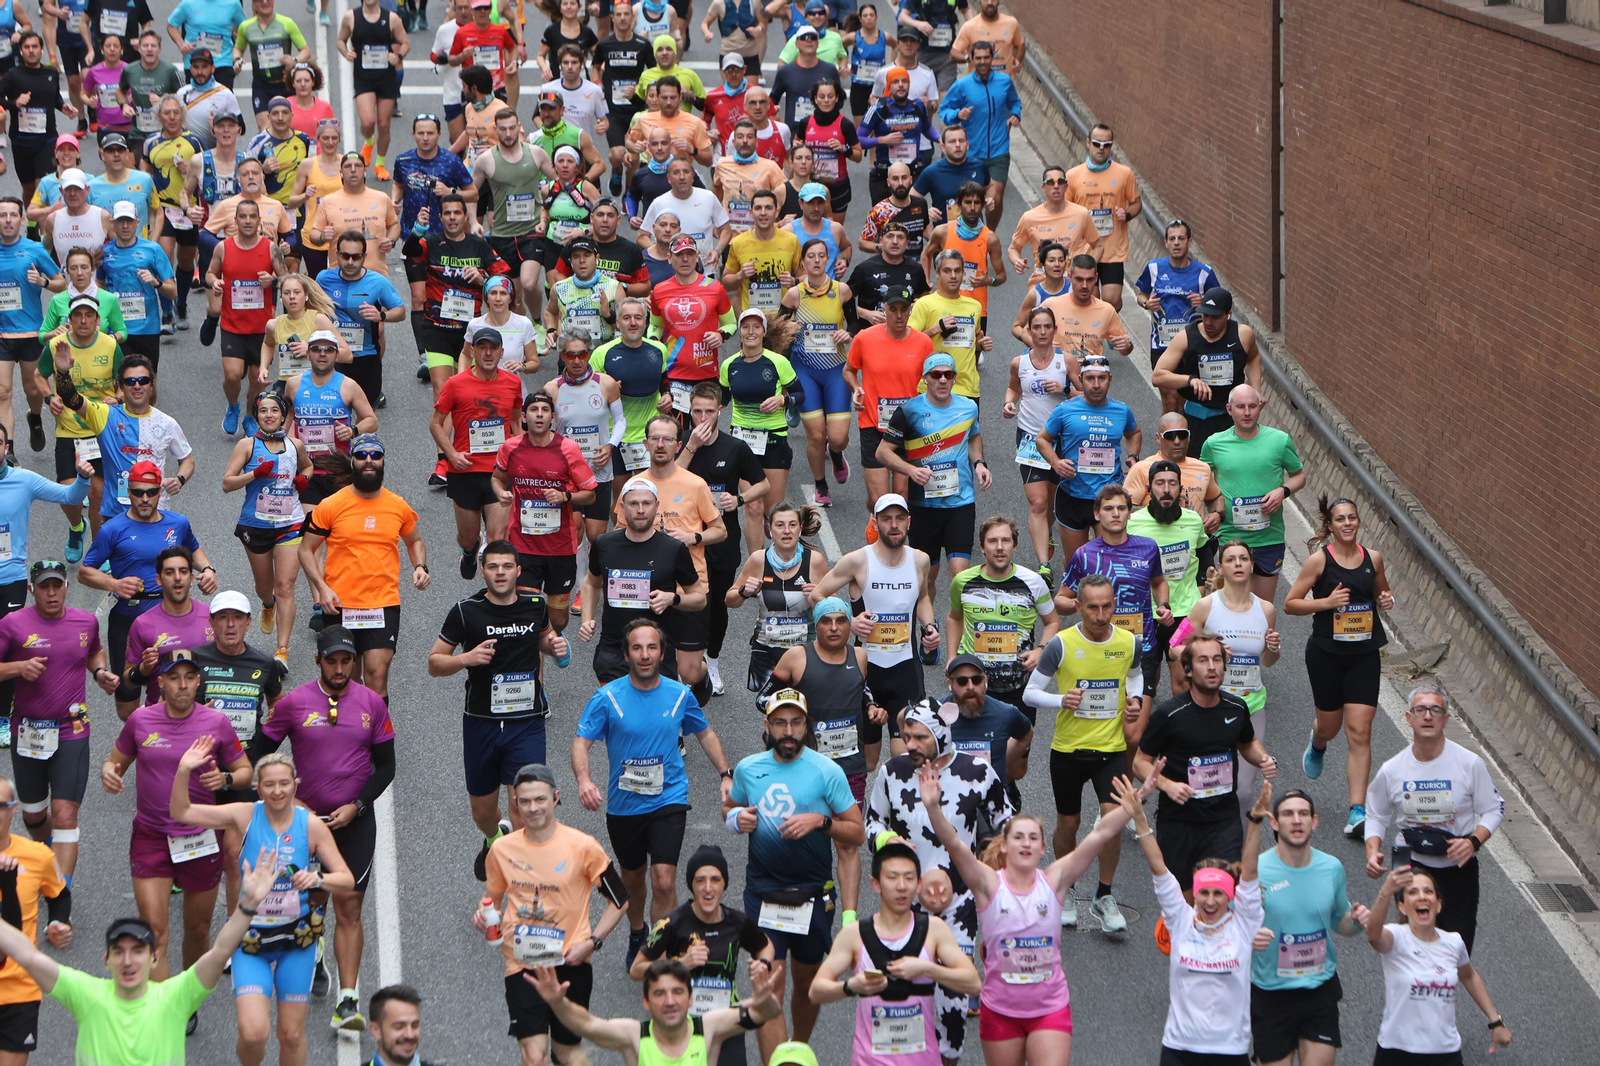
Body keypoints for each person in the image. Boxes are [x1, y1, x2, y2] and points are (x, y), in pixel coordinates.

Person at [922, 765, 1148, 1066]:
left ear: (1043, 847)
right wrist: (933, 807)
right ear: (1004, 845)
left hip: (1049, 1009)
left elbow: (1102, 832)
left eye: (1033, 838)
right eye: (1018, 837)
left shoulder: (1055, 880)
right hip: (1000, 1011)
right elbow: (953, 843)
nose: (1025, 843)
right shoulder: (988, 885)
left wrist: (1139, 799)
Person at [0, 843, 281, 1062]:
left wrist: (248, 905)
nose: (128, 960)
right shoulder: (86, 994)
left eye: (137, 951)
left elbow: (219, 952)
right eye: (118, 952)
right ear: (106, 961)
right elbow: (28, 955)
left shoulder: (175, 996)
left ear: (154, 958)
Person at [249, 625, 397, 1032]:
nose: (339, 668)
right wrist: (283, 801)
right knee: (312, 905)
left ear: (354, 662)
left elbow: (387, 766)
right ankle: (313, 954)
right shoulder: (294, 703)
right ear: (317, 661)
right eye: (331, 660)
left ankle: (347, 1002)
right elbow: (258, 754)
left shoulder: (372, 703)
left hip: (354, 823)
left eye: (346, 660)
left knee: (349, 908)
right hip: (306, 827)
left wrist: (357, 806)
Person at [168, 745, 355, 1066]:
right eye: (269, 784)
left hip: (296, 941)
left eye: (284, 783)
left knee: (291, 1034)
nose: (277, 791)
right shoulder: (245, 815)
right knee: (254, 1034)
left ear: (296, 784)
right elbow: (181, 812)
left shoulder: (310, 825)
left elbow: (346, 879)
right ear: (257, 786)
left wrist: (317, 879)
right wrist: (184, 769)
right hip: (251, 939)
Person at [574, 617, 734, 965]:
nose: (645, 655)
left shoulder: (679, 695)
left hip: (669, 798)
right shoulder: (607, 698)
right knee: (633, 878)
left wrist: (726, 773)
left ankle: (660, 943)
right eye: (637, 648)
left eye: (652, 647)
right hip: (624, 804)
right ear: (627, 654)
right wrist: (585, 780)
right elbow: (581, 743)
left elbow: (704, 733)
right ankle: (637, 931)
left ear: (663, 654)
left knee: (663, 879)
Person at [865, 700, 1010, 1065]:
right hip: (903, 903)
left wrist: (995, 873)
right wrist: (886, 841)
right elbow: (872, 823)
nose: (910, 744)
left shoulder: (976, 771)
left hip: (960, 902)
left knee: (953, 998)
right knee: (899, 990)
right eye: (907, 735)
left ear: (942, 735)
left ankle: (947, 1059)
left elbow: (1007, 825)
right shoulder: (892, 772)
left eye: (920, 737)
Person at [102, 648, 252, 993]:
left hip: (200, 837)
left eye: (189, 677)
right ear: (162, 683)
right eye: (174, 677)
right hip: (151, 836)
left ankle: (185, 995)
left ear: (198, 681)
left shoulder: (216, 723)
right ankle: (164, 1007)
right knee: (154, 929)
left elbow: (244, 771)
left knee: (198, 930)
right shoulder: (141, 721)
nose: (182, 685)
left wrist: (226, 781)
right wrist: (108, 773)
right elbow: (114, 763)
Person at [726, 687, 864, 1056]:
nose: (788, 731)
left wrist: (821, 822)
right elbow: (732, 805)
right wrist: (735, 820)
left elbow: (857, 832)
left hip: (813, 894)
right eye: (781, 723)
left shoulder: (826, 772)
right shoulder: (749, 769)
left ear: (807, 726)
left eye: (796, 722)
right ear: (768, 726)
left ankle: (797, 1051)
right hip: (764, 893)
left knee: (806, 986)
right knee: (769, 984)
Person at [473, 762, 631, 1066]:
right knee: (534, 1057)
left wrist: (593, 941)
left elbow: (620, 899)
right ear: (516, 803)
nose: (533, 808)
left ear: (556, 797)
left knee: (567, 1053)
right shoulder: (502, 849)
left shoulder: (583, 846)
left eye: (540, 799)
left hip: (571, 963)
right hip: (522, 965)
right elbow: (490, 899)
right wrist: (482, 915)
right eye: (525, 801)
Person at [430, 540, 564, 877]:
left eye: (507, 566)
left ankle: (520, 875)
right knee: (482, 811)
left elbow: (545, 639)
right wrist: (466, 658)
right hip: (482, 722)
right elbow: (434, 662)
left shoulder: (535, 604)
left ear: (518, 570)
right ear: (483, 570)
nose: (500, 573)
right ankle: (493, 837)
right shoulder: (465, 610)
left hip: (526, 721)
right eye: (493, 567)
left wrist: (555, 646)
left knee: (525, 803)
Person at [1020, 574, 1142, 929]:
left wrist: (1133, 699)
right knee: (1068, 823)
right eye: (1092, 607)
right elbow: (1031, 693)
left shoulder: (1128, 642)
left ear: (1114, 605)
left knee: (1112, 821)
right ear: (1078, 607)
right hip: (1069, 749)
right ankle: (1067, 886)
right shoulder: (1061, 644)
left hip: (1111, 748)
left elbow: (1134, 675)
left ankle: (1104, 895)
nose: (1100, 615)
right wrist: (1063, 700)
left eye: (1107, 607)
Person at [1123, 774, 1271, 1065]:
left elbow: (1250, 873)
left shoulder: (1244, 924)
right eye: (1204, 893)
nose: (1211, 901)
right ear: (1195, 894)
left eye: (1219, 893)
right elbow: (1159, 868)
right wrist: (1139, 817)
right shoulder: (1180, 918)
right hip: (1179, 1049)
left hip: (1229, 1051)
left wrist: (1255, 821)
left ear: (1230, 897)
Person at [808, 839, 981, 1066]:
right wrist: (851, 986)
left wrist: (927, 968)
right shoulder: (855, 934)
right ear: (876, 884)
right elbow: (815, 991)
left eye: (909, 878)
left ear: (919, 885)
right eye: (892, 877)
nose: (901, 886)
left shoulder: (934, 930)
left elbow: (973, 983)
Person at [1132, 632, 1277, 901]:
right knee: (1186, 903)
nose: (1211, 667)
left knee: (1219, 895)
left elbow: (1247, 744)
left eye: (1217, 660)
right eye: (1203, 660)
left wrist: (1264, 759)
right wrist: (1167, 785)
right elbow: (1140, 761)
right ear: (1188, 669)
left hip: (1223, 821)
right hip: (1179, 822)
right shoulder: (1170, 715)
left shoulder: (1236, 708)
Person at [1364, 683, 1503, 955]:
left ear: (1445, 719)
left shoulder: (1469, 763)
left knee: (1456, 954)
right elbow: (1376, 813)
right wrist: (1372, 851)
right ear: (1409, 718)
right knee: (1416, 951)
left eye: (1435, 710)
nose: (1428, 716)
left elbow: (1494, 809)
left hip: (1458, 871)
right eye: (1421, 709)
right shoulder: (1392, 770)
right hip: (1412, 869)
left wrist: (1473, 841)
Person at [1288, 495, 1395, 839]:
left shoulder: (1373, 559)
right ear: (1330, 526)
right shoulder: (1319, 562)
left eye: (1352, 518)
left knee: (1360, 732)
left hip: (1364, 655)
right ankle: (1318, 740)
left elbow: (1382, 592)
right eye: (1340, 519)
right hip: (1326, 654)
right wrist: (1327, 602)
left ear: (1358, 522)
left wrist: (1386, 600)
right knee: (1332, 727)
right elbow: (1291, 604)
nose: (1347, 523)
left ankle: (1357, 810)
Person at [298, 434, 430, 701]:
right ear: (353, 462)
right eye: (361, 455)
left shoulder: (397, 505)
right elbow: (305, 549)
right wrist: (321, 589)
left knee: (376, 675)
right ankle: (350, 737)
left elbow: (414, 540)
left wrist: (420, 566)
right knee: (347, 682)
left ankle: (378, 740)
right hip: (340, 604)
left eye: (375, 455)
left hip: (383, 603)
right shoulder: (332, 505)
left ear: (382, 462)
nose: (368, 460)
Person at [0, 558, 109, 881]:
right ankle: (47, 850)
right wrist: (17, 668)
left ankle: (60, 894)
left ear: (67, 587)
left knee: (64, 814)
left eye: (56, 586)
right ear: (32, 589)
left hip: (72, 731)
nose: (51, 593)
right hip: (28, 731)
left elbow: (93, 652)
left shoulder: (85, 622)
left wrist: (100, 672)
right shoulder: (11, 624)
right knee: (34, 815)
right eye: (44, 587)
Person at [808, 494, 939, 759]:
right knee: (866, 762)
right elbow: (817, 595)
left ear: (908, 522)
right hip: (866, 672)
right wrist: (848, 620)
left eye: (900, 519)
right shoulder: (857, 561)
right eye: (887, 519)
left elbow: (923, 597)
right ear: (875, 523)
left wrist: (930, 626)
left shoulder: (920, 560)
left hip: (906, 671)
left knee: (906, 759)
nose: (894, 525)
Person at [608, 413, 726, 699]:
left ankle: (700, 683)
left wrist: (693, 537)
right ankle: (674, 731)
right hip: (645, 590)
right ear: (646, 444)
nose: (661, 445)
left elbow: (720, 531)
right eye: (655, 439)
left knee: (688, 671)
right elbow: (619, 534)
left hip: (689, 590)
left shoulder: (695, 484)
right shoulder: (633, 486)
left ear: (678, 445)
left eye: (668, 439)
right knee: (655, 666)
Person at [1250, 788, 1370, 1066]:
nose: (1296, 820)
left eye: (1303, 814)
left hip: (1319, 987)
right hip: (1271, 991)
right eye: (1288, 814)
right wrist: (1249, 936)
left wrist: (1355, 921)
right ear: (1275, 823)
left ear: (1314, 821)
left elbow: (1339, 921)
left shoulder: (1332, 868)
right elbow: (1229, 924)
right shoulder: (1256, 870)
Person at [184, 590, 285, 912]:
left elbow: (277, 705)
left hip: (242, 771)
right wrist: (197, 714)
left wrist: (265, 743)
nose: (230, 625)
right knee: (199, 853)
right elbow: (168, 708)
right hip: (199, 770)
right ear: (211, 622)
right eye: (223, 618)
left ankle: (234, 930)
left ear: (248, 623)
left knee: (233, 852)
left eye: (237, 618)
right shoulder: (194, 660)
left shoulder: (264, 663)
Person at [631, 843, 775, 1066]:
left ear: (724, 884)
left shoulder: (737, 922)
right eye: (700, 880)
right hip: (685, 1024)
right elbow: (637, 969)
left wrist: (763, 964)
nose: (708, 888)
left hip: (727, 1022)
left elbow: (765, 945)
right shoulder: (671, 923)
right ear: (692, 885)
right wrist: (680, 964)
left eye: (715, 880)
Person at [1364, 863, 1512, 1063]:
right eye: (1413, 892)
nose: (1422, 896)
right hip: (1397, 1050)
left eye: (1428, 891)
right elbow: (1373, 936)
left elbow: (1468, 976)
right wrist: (1386, 891)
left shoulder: (1453, 942)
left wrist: (1496, 1021)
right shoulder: (1396, 937)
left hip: (1445, 1051)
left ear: (1439, 904)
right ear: (1402, 906)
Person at [1175, 540, 1281, 820]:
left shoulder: (1266, 609)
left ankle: (1238, 862)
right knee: (1206, 783)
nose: (1237, 564)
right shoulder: (1206, 606)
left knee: (1243, 792)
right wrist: (1210, 654)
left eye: (1243, 559)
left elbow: (1268, 661)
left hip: (1251, 704)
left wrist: (1273, 648)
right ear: (1220, 567)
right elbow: (1175, 647)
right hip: (1211, 704)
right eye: (1231, 559)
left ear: (1251, 565)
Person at [677, 381, 770, 695]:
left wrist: (739, 500)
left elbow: (763, 484)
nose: (702, 419)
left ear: (720, 411)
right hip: (683, 539)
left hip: (720, 539)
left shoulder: (735, 448)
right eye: (696, 411)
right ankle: (685, 661)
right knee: (686, 603)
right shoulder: (678, 442)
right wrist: (690, 447)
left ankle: (712, 661)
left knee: (717, 604)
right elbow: (668, 480)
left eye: (709, 411)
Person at [75, 464, 210, 680]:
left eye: (151, 492)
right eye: (138, 492)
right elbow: (84, 572)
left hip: (171, 615)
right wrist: (114, 584)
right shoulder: (112, 529)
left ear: (160, 492)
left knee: (177, 680)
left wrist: (207, 569)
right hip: (127, 615)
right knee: (126, 691)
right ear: (128, 492)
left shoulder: (178, 523)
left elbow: (193, 549)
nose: (145, 498)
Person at [525, 954, 784, 1065]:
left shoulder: (711, 1027)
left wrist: (764, 999)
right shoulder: (633, 1036)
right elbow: (587, 1025)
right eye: (659, 994)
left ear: (691, 999)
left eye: (677, 992)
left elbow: (766, 1014)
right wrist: (557, 1002)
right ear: (646, 1002)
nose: (669, 1001)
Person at [491, 388, 597, 635]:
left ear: (552, 417)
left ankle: (552, 639)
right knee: (528, 612)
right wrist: (500, 492)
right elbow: (497, 478)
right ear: (524, 417)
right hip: (523, 544)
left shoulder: (568, 449)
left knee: (558, 619)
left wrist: (565, 496)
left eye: (545, 410)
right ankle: (534, 662)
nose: (539, 415)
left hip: (560, 548)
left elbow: (590, 494)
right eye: (533, 410)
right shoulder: (510, 448)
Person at [877, 351, 990, 581]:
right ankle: (929, 619)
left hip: (960, 502)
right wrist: (910, 470)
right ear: (925, 379)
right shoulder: (909, 411)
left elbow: (973, 436)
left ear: (954, 378)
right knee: (926, 577)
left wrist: (979, 463)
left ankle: (955, 618)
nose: (942, 380)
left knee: (960, 575)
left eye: (947, 375)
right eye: (936, 375)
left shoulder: (968, 408)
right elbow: (882, 452)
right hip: (923, 506)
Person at [578, 475, 704, 681]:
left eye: (646, 503)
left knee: (652, 713)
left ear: (656, 506)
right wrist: (587, 619)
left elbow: (699, 598)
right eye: (633, 503)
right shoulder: (604, 544)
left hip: (656, 651)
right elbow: (592, 583)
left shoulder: (673, 549)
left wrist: (673, 599)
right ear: (621, 506)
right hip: (614, 648)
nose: (640, 510)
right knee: (617, 712)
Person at [53, 345, 195, 524]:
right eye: (130, 381)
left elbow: (187, 459)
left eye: (143, 380)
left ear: (152, 384)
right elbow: (72, 399)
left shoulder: (167, 423)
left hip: (156, 513)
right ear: (120, 386)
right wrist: (63, 373)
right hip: (116, 515)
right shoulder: (105, 415)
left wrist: (179, 479)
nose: (137, 386)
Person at [221, 392, 311, 666]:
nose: (269, 415)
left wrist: (303, 480)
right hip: (255, 525)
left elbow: (308, 467)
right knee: (266, 587)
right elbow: (227, 483)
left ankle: (281, 651)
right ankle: (267, 605)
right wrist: (254, 474)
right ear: (257, 415)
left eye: (275, 410)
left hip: (290, 523)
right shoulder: (247, 445)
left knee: (285, 585)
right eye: (263, 411)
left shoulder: (295, 444)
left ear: (284, 416)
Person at [432, 326, 525, 575]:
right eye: (482, 347)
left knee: (497, 538)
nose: (488, 353)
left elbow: (516, 423)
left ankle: (494, 593)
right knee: (468, 537)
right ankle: (469, 552)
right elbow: (435, 424)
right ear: (472, 351)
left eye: (493, 348)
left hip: (500, 470)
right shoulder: (455, 384)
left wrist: (523, 457)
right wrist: (451, 454)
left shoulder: (513, 383)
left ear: (501, 352)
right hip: (464, 470)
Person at [1200, 383, 1305, 601]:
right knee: (1230, 609)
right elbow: (1201, 482)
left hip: (1268, 537)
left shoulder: (1279, 440)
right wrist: (1209, 512)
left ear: (1260, 407)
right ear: (1229, 409)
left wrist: (1282, 491)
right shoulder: (1214, 443)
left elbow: (1299, 476)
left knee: (1263, 611)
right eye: (1240, 407)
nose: (1247, 413)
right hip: (1231, 537)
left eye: (1252, 406)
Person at [947, 515, 1057, 719]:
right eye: (992, 541)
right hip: (974, 684)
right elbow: (954, 618)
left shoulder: (1034, 582)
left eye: (1006, 541)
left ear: (1014, 546)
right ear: (981, 547)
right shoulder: (963, 581)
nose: (999, 547)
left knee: (1019, 748)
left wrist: (1041, 651)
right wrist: (952, 656)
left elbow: (1052, 622)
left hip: (1018, 684)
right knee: (976, 749)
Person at [1036, 356, 1139, 558]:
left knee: (1108, 559)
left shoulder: (1121, 411)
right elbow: (1042, 439)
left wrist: (1133, 456)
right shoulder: (1065, 410)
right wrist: (1055, 462)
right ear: (1081, 380)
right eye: (1090, 378)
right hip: (1073, 495)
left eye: (1102, 378)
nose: (1096, 384)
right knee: (1076, 561)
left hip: (1109, 495)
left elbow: (1134, 432)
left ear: (1110, 379)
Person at [716, 305, 799, 545]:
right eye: (745, 327)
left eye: (756, 327)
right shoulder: (729, 365)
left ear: (763, 332)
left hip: (773, 440)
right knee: (752, 505)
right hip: (742, 442)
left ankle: (777, 557)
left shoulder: (777, 362)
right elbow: (722, 398)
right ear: (740, 332)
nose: (750, 331)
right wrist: (709, 410)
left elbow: (800, 395)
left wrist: (782, 399)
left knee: (774, 512)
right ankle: (756, 567)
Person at [842, 283, 928, 513]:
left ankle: (893, 545)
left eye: (904, 309)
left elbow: (933, 380)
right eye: (893, 309)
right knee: (878, 500)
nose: (899, 315)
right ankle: (876, 529)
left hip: (908, 428)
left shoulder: (923, 343)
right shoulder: (864, 338)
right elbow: (849, 370)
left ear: (911, 310)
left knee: (901, 495)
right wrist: (856, 388)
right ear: (884, 309)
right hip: (873, 424)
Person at [1002, 306, 1075, 575]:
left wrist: (1065, 389)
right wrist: (1009, 404)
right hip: (1030, 437)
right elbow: (1013, 388)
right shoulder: (1018, 363)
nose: (1042, 332)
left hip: (1061, 439)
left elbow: (1086, 393)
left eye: (1047, 327)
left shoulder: (1066, 361)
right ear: (1029, 332)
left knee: (1053, 505)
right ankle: (1044, 566)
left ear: (1054, 330)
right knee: (1038, 503)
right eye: (1037, 327)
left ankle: (1049, 530)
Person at [1126, 461, 1208, 700]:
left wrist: (1202, 587)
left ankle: (1182, 733)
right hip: (1145, 617)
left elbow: (1203, 552)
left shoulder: (1194, 521)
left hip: (1184, 613)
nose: (1166, 489)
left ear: (1181, 488)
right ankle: (1146, 732)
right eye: (1160, 483)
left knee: (1183, 682)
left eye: (1172, 483)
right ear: (1150, 489)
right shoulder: (1133, 523)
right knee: (1144, 684)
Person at [204, 197, 285, 434]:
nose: (248, 221)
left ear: (259, 220)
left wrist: (274, 280)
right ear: (235, 220)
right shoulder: (223, 247)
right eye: (243, 216)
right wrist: (215, 282)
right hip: (233, 325)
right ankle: (232, 406)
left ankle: (250, 414)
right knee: (232, 374)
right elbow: (209, 273)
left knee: (256, 379)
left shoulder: (270, 248)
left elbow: (289, 277)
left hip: (262, 328)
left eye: (252, 216)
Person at [1152, 286, 1263, 456]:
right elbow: (1158, 375)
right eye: (1205, 315)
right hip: (1198, 417)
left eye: (1215, 317)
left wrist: (1256, 389)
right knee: (1197, 468)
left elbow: (1253, 358)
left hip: (1231, 417)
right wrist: (1190, 380)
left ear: (1228, 315)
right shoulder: (1186, 337)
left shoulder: (1243, 335)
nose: (1209, 322)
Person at [782, 238, 852, 505]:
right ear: (803, 262)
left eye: (821, 255)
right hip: (805, 370)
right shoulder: (794, 294)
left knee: (838, 438)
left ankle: (835, 454)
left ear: (828, 260)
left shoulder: (842, 290)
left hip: (835, 369)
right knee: (816, 434)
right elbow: (778, 333)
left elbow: (855, 323)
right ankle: (821, 485)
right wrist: (788, 330)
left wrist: (848, 333)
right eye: (811, 256)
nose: (816, 260)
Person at [115, 545, 214, 718]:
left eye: (183, 572)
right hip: (161, 719)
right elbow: (129, 681)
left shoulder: (211, 618)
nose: (177, 578)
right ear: (159, 579)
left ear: (191, 578)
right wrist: (143, 669)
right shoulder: (142, 624)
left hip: (207, 717)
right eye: (169, 572)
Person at [314, 227, 406, 409]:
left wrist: (381, 315)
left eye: (355, 257)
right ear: (337, 254)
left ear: (364, 257)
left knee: (366, 416)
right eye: (345, 256)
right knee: (332, 412)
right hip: (334, 356)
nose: (350, 261)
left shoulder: (378, 282)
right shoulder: (323, 279)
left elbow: (401, 311)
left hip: (366, 357)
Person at [0, 197, 61, 457]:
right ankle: (8, 450)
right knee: (3, 392)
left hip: (30, 333)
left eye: (13, 215)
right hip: (2, 334)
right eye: (3, 216)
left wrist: (43, 282)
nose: (8, 220)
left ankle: (35, 418)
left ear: (22, 220)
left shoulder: (34, 250)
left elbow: (62, 283)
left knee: (33, 389)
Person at [1135, 220, 1215, 414]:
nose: (1176, 242)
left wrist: (1203, 303)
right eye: (1172, 238)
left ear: (1190, 242)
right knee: (1170, 401)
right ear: (1166, 243)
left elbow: (1220, 306)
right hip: (1162, 346)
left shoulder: (1204, 273)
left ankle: (1184, 440)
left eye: (1181, 238)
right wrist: (1147, 303)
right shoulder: (1154, 268)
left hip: (1192, 346)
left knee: (1185, 402)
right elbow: (1141, 295)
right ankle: (1170, 441)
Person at [935, 42, 1018, 228]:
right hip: (972, 153)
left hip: (998, 150)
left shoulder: (1004, 82)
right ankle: (970, 233)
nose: (982, 62)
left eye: (986, 57)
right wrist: (957, 114)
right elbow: (944, 110)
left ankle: (990, 234)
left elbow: (1015, 102)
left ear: (992, 57)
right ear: (971, 58)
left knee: (995, 197)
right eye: (978, 58)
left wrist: (1015, 114)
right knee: (971, 198)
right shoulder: (962, 85)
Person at [0, 33, 79, 208]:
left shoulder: (50, 73)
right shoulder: (13, 75)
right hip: (22, 141)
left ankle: (44, 230)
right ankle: (32, 225)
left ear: (41, 49)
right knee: (28, 190)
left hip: (47, 140)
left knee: (42, 187)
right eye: (27, 47)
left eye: (35, 46)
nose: (31, 51)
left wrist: (63, 107)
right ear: (21, 50)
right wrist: (14, 103)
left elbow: (55, 98)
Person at [1067, 122, 1140, 311]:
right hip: (1085, 248)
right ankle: (1099, 337)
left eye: (1106, 145)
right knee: (1091, 299)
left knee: (1112, 299)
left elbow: (1136, 203)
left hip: (1112, 247)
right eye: (1097, 143)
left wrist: (1127, 214)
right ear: (1088, 143)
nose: (1101, 148)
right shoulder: (1073, 175)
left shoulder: (1124, 174)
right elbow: (1065, 209)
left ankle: (1108, 323)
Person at [942, 656, 1033, 801]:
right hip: (949, 803)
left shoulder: (1006, 713)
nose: (970, 686)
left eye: (976, 680)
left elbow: (1026, 734)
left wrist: (1003, 766)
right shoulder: (934, 712)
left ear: (985, 682)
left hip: (991, 804)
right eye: (962, 681)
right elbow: (904, 717)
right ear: (950, 684)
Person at [285, 328, 378, 466]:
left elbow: (372, 421)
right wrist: (291, 445)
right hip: (304, 466)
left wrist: (352, 431)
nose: (322, 354)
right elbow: (288, 416)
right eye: (316, 349)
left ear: (336, 355)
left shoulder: (349, 385)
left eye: (329, 349)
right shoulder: (293, 384)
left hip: (338, 466)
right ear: (308, 353)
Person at [98, 198, 173, 369]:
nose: (125, 226)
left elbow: (172, 292)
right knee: (123, 382)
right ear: (112, 223)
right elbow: (98, 284)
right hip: (116, 329)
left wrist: (156, 283)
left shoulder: (152, 250)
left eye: (129, 221)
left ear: (138, 222)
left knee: (148, 383)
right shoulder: (104, 252)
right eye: (120, 221)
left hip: (147, 329)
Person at [338, 0, 408, 182]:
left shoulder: (392, 18)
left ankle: (380, 164)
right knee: (368, 121)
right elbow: (340, 40)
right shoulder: (351, 17)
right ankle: (369, 142)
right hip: (363, 78)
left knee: (384, 124)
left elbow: (405, 42)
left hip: (386, 78)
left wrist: (398, 56)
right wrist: (346, 53)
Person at [907, 249, 987, 407]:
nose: (953, 276)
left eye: (957, 270)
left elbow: (973, 345)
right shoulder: (924, 304)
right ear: (937, 273)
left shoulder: (975, 306)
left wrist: (980, 345)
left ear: (963, 273)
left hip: (967, 389)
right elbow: (908, 343)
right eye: (947, 270)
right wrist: (934, 329)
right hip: (932, 387)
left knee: (967, 433)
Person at [594, 2, 656, 194]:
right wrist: (597, 81)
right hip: (613, 110)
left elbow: (653, 73)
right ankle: (616, 170)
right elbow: (595, 66)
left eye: (626, 14)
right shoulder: (605, 44)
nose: (622, 18)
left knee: (634, 156)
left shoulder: (643, 45)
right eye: (618, 15)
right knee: (618, 154)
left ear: (632, 18)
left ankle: (630, 192)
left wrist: (640, 89)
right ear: (613, 18)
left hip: (636, 110)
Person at [1039, 252, 1132, 366]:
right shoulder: (1051, 305)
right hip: (1059, 374)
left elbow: (1125, 350)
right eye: (1079, 279)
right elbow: (1026, 332)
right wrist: (1042, 344)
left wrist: (1127, 346)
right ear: (1069, 277)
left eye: (1089, 280)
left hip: (1091, 377)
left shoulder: (1107, 310)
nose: (1084, 285)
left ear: (1096, 278)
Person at [1007, 168, 1094, 285]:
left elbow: (1098, 246)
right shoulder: (1029, 217)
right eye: (1051, 182)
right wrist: (1017, 261)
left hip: (1072, 285)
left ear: (1066, 187)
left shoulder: (1081, 214)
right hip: (1041, 283)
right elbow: (1013, 249)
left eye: (1060, 181)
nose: (1056, 186)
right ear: (1043, 187)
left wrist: (1087, 268)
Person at [859, 84, 938, 209]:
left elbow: (927, 128)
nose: (901, 85)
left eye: (904, 81)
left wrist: (941, 139)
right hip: (884, 173)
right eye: (896, 81)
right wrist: (883, 140)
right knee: (885, 220)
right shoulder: (878, 108)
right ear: (889, 87)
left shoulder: (917, 106)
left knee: (912, 218)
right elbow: (858, 140)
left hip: (911, 172)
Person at [234, 0, 308, 126]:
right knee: (265, 130)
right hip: (261, 85)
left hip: (286, 84)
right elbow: (238, 49)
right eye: (260, 0)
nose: (265, 2)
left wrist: (294, 61)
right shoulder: (246, 27)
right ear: (254, 4)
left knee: (290, 127)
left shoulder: (287, 23)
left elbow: (306, 51)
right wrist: (237, 60)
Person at [850, 215, 929, 325]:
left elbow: (925, 296)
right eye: (890, 236)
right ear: (881, 241)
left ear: (906, 244)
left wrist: (919, 304)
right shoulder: (864, 269)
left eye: (900, 237)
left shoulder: (916, 269)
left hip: (905, 333)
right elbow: (843, 300)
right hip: (871, 334)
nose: (895, 241)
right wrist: (866, 314)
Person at [912, 126, 986, 225]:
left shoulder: (979, 166)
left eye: (961, 141)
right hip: (945, 234)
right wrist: (925, 212)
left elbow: (990, 186)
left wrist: (989, 199)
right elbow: (910, 200)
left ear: (967, 145)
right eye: (952, 142)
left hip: (975, 232)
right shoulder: (931, 172)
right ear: (943, 147)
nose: (958, 145)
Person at [770, 25, 839, 127]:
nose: (809, 40)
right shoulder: (785, 71)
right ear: (796, 44)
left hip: (825, 131)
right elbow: (773, 99)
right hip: (795, 133)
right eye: (804, 38)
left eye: (813, 37)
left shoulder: (830, 70)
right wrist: (775, 119)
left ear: (818, 43)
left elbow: (838, 100)